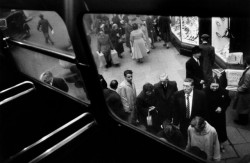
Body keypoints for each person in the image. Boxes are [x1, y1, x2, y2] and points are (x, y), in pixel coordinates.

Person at [172, 78, 208, 143]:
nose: (185, 88)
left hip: (196, 123)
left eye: (187, 86)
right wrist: (175, 123)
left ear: (192, 87)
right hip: (183, 122)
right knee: (184, 139)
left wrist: (202, 122)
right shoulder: (177, 95)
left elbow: (204, 110)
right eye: (184, 85)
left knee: (196, 139)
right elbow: (175, 110)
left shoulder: (201, 95)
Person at [203, 75, 231, 152]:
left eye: (216, 86)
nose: (215, 88)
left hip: (219, 116)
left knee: (220, 130)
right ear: (209, 85)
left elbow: (227, 101)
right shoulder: (204, 91)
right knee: (209, 131)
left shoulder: (224, 91)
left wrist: (222, 108)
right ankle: (209, 145)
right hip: (209, 115)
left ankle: (220, 145)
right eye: (213, 86)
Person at [234, 56, 250, 125]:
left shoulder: (248, 72)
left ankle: (242, 122)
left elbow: (246, 85)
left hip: (245, 93)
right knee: (244, 107)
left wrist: (238, 89)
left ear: (246, 61)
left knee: (242, 107)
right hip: (247, 93)